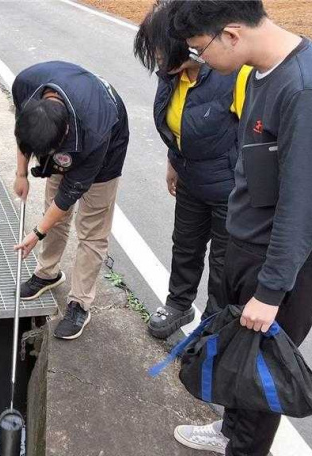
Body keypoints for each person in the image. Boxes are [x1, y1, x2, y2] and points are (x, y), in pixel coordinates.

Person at [167, 1, 312, 455]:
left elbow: (304, 205)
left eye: (198, 50)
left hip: (283, 260)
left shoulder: (309, 90)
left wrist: (271, 292)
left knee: (260, 376)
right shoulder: (257, 74)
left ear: (230, 34)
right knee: (238, 358)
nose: (198, 61)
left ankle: (242, 446)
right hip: (248, 246)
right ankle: (229, 433)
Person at [134, 0, 251, 339]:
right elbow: (176, 123)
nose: (156, 59)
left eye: (158, 50)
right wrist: (173, 160)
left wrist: (246, 193)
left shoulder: (234, 74)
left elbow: (252, 140)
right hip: (190, 178)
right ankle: (178, 303)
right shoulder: (172, 74)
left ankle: (213, 326)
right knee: (184, 246)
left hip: (231, 189)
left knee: (223, 264)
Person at [11, 61, 129, 340]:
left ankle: (80, 302)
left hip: (106, 149)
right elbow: (23, 134)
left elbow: (69, 194)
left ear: (64, 133)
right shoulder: (26, 85)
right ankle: (48, 273)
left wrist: (36, 233)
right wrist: (21, 173)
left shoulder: (95, 128)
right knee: (53, 210)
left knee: (91, 229)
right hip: (68, 131)